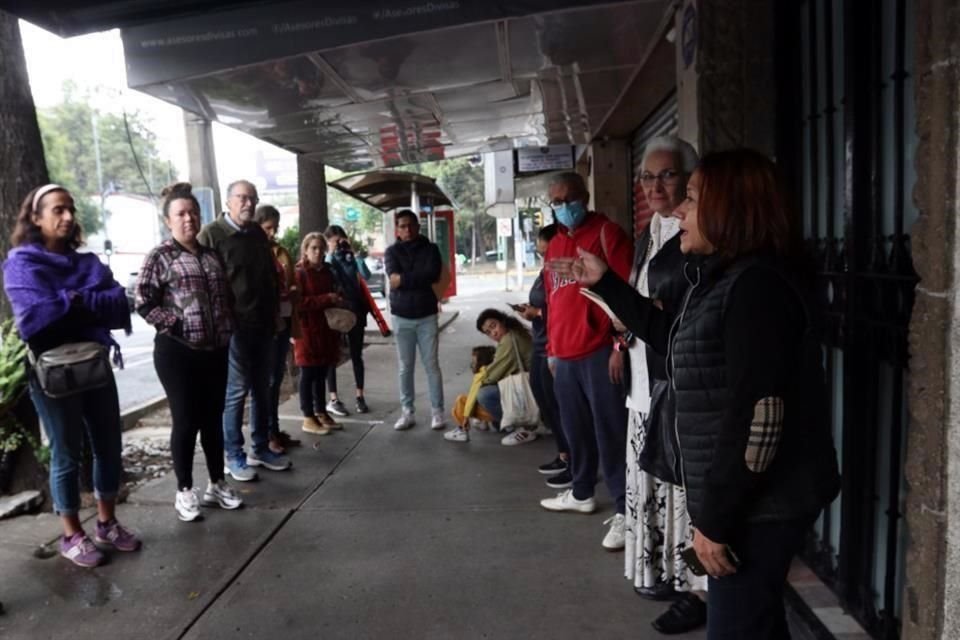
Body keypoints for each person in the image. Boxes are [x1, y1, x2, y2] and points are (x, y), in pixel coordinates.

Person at [554, 149, 841, 639]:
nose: (679, 211)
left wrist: (716, 521)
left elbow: (761, 416)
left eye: (690, 197)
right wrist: (607, 285)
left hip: (761, 505)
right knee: (758, 624)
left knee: (737, 628)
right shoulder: (726, 278)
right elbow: (674, 338)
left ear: (730, 209)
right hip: (750, 499)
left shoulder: (756, 288)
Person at [3, 184, 141, 567]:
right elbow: (35, 321)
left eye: (71, 210)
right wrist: (81, 300)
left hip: (94, 366)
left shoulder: (88, 262)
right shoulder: (21, 264)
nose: (67, 217)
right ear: (36, 218)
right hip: (51, 372)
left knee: (108, 445)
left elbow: (117, 307)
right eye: (57, 210)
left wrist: (66, 301)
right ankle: (70, 534)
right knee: (66, 452)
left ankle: (106, 522)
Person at [621, 137, 708, 633]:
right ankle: (663, 573)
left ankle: (697, 592)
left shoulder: (697, 237)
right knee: (651, 485)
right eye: (648, 177)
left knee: (684, 493)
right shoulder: (650, 231)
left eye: (667, 175)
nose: (655, 186)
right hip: (644, 382)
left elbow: (678, 315)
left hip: (676, 387)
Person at [538, 172, 634, 552]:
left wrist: (620, 345)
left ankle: (627, 510)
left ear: (585, 196)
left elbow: (629, 295)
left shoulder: (607, 235)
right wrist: (550, 349)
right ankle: (581, 492)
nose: (564, 207)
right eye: (556, 202)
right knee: (575, 430)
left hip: (599, 352)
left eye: (569, 198)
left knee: (610, 432)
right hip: (565, 355)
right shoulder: (555, 244)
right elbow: (551, 299)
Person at [136, 183, 243, 522]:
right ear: (169, 220)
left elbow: (226, 297)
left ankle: (216, 483)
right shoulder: (161, 256)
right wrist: (174, 323)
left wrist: (228, 326)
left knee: (213, 419)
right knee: (186, 420)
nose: (188, 219)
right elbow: (142, 300)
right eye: (180, 214)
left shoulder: (211, 255)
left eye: (193, 213)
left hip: (215, 350)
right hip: (177, 352)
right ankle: (184, 490)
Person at [198, 180, 290, 481]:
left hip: (263, 324)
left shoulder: (256, 235)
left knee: (263, 388)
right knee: (236, 392)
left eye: (252, 198)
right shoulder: (211, 234)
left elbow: (270, 277)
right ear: (228, 201)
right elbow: (201, 281)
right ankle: (234, 455)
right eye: (241, 197)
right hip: (232, 328)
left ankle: (260, 447)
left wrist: (276, 313)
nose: (247, 203)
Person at [515, 224, 572, 489]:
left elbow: (565, 310)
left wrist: (537, 314)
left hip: (556, 345)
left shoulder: (566, 272)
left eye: (546, 251)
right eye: (539, 253)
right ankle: (563, 454)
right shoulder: (545, 272)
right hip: (540, 343)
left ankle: (574, 461)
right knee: (546, 404)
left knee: (560, 406)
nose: (543, 258)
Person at [384, 210, 446, 431]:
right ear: (397, 230)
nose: (407, 230)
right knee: (405, 368)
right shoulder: (391, 252)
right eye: (402, 226)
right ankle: (407, 412)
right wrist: (415, 278)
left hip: (427, 316)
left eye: (411, 225)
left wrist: (404, 279)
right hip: (402, 317)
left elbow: (433, 274)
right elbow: (393, 279)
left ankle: (437, 412)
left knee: (432, 366)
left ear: (418, 227)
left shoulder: (431, 249)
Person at [443, 309, 533, 443]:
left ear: (502, 320)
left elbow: (492, 375)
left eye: (493, 326)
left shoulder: (509, 340)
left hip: (530, 391)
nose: (494, 333)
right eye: (488, 332)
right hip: (531, 386)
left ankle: (522, 428)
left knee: (485, 393)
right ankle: (486, 421)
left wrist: (482, 375)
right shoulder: (514, 333)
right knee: (484, 392)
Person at [255, 204, 302, 454]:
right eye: (267, 228)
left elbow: (291, 280)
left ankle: (274, 429)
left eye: (275, 228)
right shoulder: (254, 251)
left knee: (277, 379)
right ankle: (266, 433)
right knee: (268, 382)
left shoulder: (281, 251)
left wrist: (292, 292)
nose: (272, 233)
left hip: (284, 320)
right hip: (267, 324)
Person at [293, 232, 344, 435]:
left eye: (321, 248)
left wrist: (337, 298)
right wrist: (326, 299)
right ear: (305, 250)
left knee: (321, 371)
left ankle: (321, 411)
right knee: (308, 373)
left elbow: (335, 292)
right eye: (313, 248)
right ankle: (308, 416)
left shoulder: (327, 271)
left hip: (326, 329)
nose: (318, 252)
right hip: (306, 331)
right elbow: (299, 303)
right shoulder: (299, 273)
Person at [322, 225, 372, 416]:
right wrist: (331, 252)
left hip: (356, 310)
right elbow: (327, 273)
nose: (339, 243)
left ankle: (360, 396)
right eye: (334, 240)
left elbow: (366, 275)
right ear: (328, 242)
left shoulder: (350, 258)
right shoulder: (329, 259)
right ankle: (333, 399)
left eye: (341, 239)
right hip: (337, 312)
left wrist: (355, 255)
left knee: (356, 354)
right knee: (332, 355)